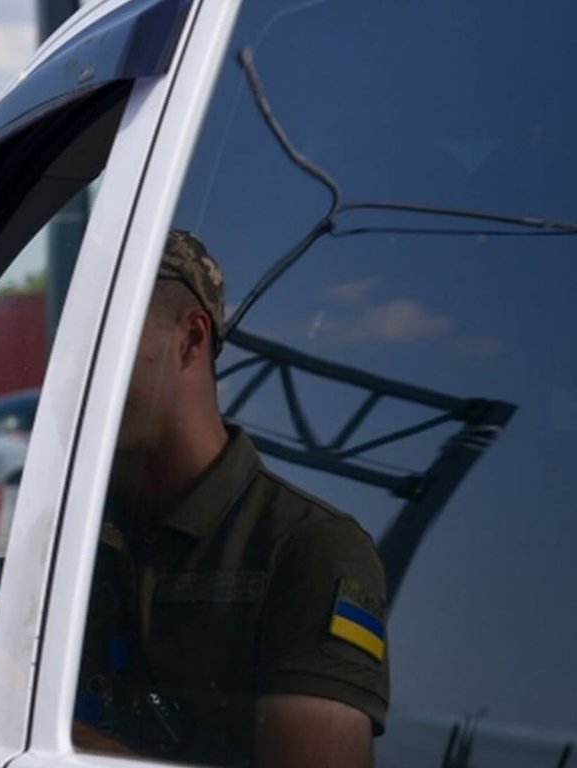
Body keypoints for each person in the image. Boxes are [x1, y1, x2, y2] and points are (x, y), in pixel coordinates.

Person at [74, 230, 389, 767]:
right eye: (73, 343)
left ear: (190, 340)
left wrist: (63, 742)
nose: (77, 369)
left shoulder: (308, 549)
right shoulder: (72, 536)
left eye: (104, 335)